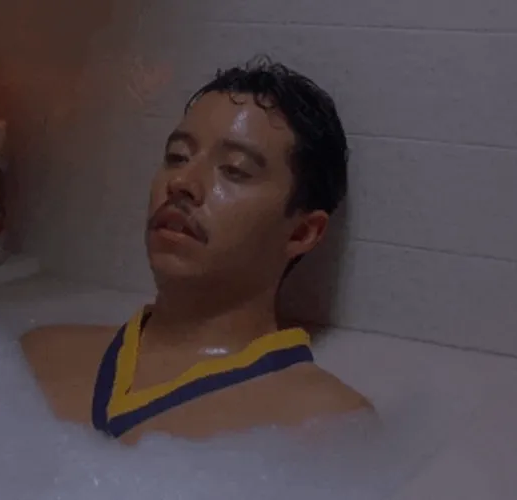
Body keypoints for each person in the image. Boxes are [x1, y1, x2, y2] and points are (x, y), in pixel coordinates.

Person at [21, 57, 371, 443]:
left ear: (302, 232)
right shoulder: (36, 355)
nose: (182, 182)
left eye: (234, 169)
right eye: (177, 157)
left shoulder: (326, 424)